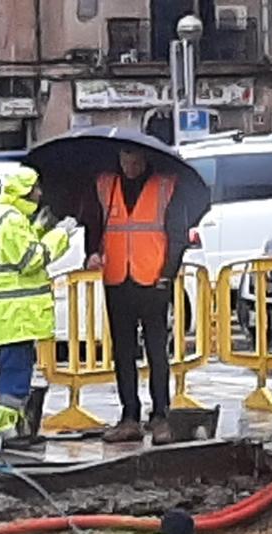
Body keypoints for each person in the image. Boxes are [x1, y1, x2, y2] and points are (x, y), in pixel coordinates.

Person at [84, 148, 189, 446]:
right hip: (118, 279)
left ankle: (160, 414)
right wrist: (91, 252)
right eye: (124, 160)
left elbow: (177, 236)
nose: (129, 166)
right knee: (123, 352)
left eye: (134, 161)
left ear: (145, 161)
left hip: (153, 279)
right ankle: (129, 415)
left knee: (157, 350)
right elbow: (94, 224)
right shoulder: (106, 185)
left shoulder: (165, 186)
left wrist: (168, 273)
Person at [0, 167, 76, 440]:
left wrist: (39, 227)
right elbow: (31, 260)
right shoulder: (11, 220)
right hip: (17, 313)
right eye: (35, 188)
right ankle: (5, 426)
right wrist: (60, 235)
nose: (39, 193)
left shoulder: (9, 217)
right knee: (16, 370)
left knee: (16, 368)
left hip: (13, 313)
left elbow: (19, 250)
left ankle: (13, 423)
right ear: (24, 191)